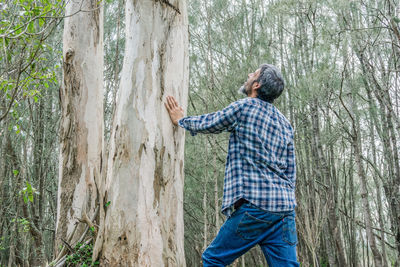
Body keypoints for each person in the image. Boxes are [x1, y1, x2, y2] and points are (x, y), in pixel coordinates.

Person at [165, 63, 300, 267]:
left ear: (256, 85)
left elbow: (212, 122)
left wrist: (182, 121)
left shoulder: (244, 107)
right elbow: (291, 173)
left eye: (253, 73)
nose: (248, 74)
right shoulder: (285, 124)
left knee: (213, 259)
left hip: (256, 207)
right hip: (284, 210)